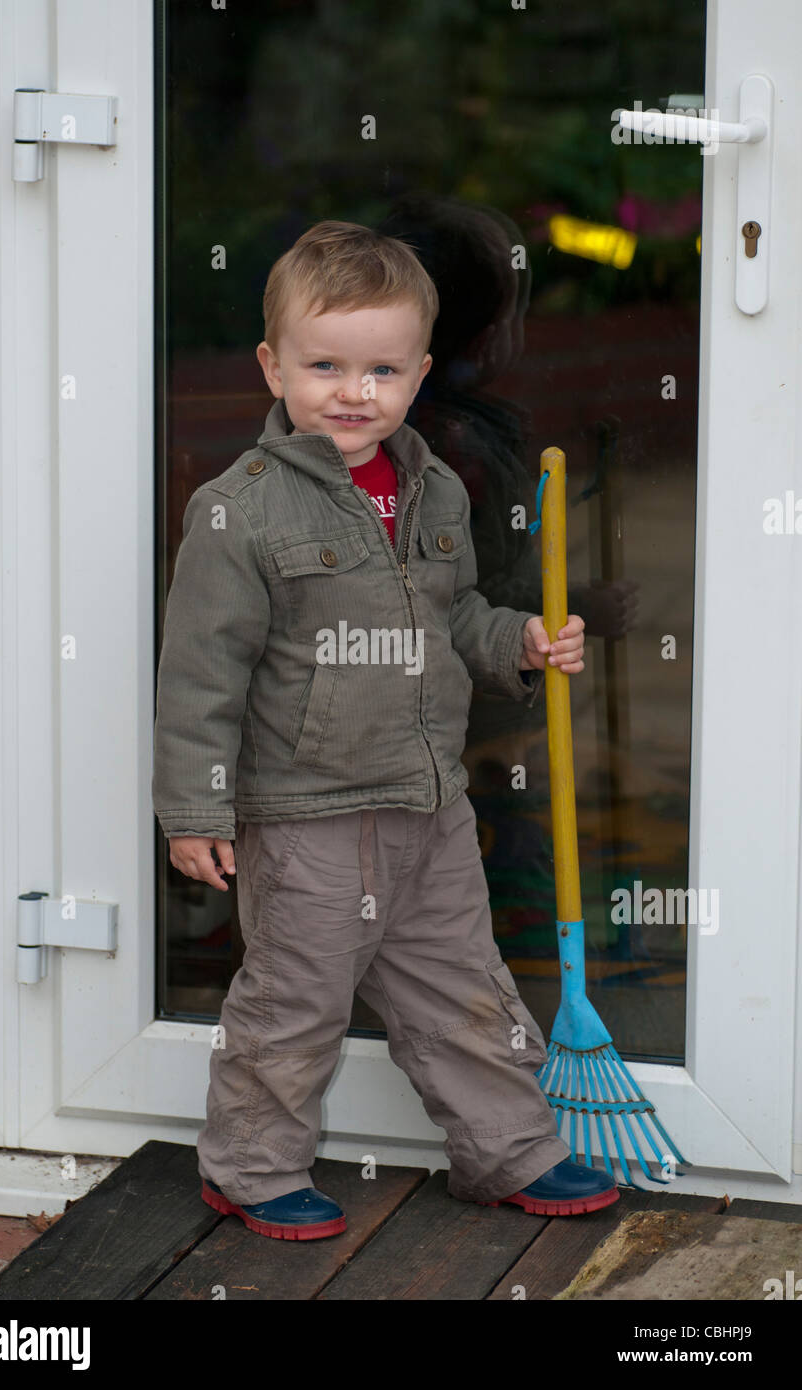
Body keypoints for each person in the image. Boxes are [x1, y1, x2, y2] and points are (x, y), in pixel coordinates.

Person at [152, 220, 619, 1241]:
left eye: (379, 369)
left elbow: (449, 618)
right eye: (323, 366)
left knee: (463, 987)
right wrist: (192, 808)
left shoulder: (433, 491)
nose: (351, 391)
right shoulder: (240, 514)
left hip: (428, 803)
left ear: (418, 373)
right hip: (308, 813)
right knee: (293, 1002)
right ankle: (250, 1165)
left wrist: (520, 642)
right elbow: (199, 673)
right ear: (273, 366)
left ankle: (508, 1149)